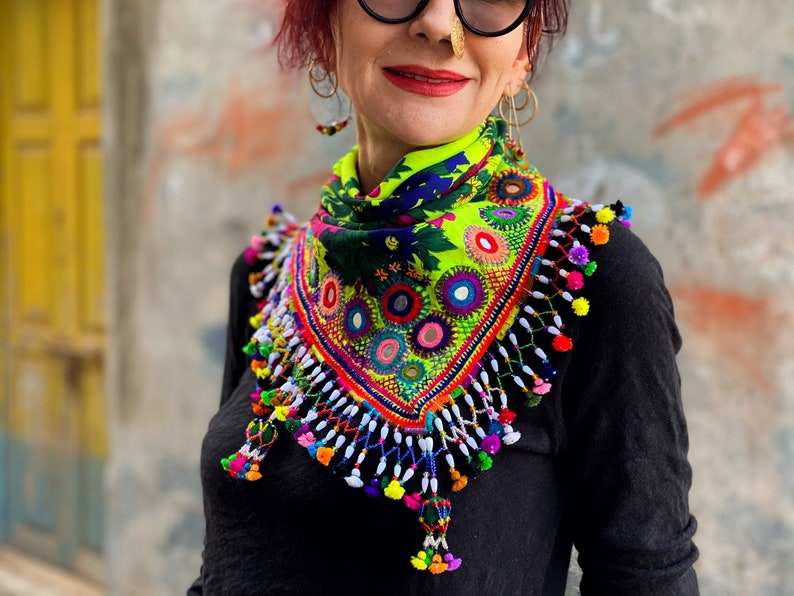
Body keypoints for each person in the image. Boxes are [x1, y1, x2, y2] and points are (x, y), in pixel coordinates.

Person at [190, 0, 699, 594]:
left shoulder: (586, 279)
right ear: (325, 24)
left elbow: (646, 578)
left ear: (522, 54)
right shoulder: (269, 275)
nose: (438, 24)